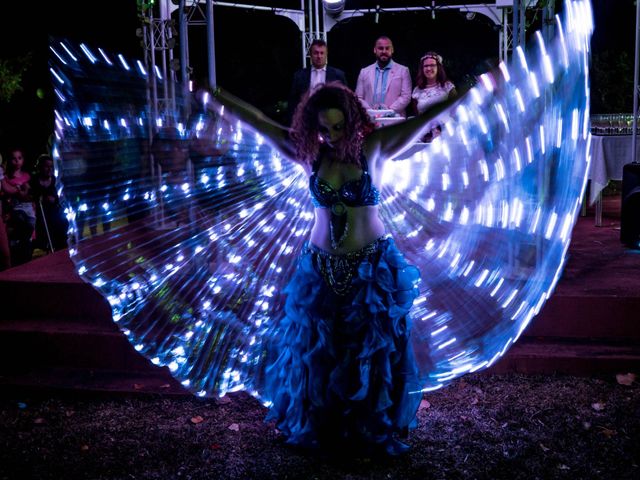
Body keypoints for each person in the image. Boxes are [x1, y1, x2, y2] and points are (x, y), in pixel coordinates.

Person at [207, 81, 457, 456]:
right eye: (324, 129)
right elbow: (257, 120)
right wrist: (214, 94)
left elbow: (423, 122)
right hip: (320, 268)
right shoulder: (311, 155)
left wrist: (466, 96)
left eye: (339, 127)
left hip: (370, 269)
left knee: (368, 354)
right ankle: (325, 429)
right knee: (320, 353)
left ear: (354, 120)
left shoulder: (373, 149)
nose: (332, 136)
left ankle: (368, 431)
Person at [287, 39, 347, 124]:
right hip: (306, 121)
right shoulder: (299, 76)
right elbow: (292, 103)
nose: (319, 56)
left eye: (322, 53)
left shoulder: (338, 75)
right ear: (311, 55)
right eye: (316, 53)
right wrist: (292, 125)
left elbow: (346, 101)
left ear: (326, 55)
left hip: (331, 122)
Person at [355, 36, 412, 117]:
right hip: (369, 120)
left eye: (387, 48)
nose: (384, 51)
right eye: (380, 48)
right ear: (375, 50)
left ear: (392, 50)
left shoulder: (403, 71)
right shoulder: (364, 72)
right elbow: (358, 98)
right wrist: (371, 112)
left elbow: (406, 97)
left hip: (394, 120)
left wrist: (388, 111)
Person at [411, 52, 457, 141]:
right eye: (426, 66)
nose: (428, 68)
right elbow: (417, 115)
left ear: (438, 67)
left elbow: (455, 112)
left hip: (447, 134)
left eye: (432, 65)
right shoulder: (417, 91)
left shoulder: (448, 87)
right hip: (426, 135)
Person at [1, 147, 36, 265]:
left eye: (19, 158)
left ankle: (26, 257)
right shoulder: (6, 178)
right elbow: (8, 192)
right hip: (16, 208)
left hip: (29, 208)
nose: (17, 161)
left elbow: (30, 193)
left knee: (29, 229)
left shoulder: (27, 176)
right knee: (20, 226)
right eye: (14, 159)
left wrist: (26, 193)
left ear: (23, 160)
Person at [30, 154, 69, 252]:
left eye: (51, 166)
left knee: (62, 223)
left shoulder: (55, 180)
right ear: (40, 167)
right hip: (40, 211)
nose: (49, 169)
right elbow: (32, 195)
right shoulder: (34, 180)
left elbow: (62, 195)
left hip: (55, 210)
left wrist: (55, 199)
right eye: (46, 166)